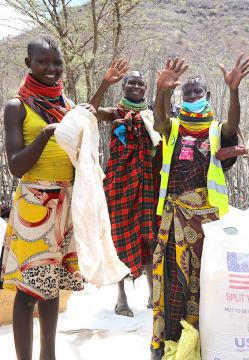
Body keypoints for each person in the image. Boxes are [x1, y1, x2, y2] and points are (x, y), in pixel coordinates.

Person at [150, 54, 249, 359]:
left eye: (198, 93)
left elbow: (233, 123)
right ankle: (171, 342)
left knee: (205, 282)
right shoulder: (174, 127)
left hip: (206, 223)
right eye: (188, 93)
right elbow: (158, 121)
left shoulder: (216, 129)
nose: (192, 97)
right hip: (174, 220)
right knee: (173, 281)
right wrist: (161, 91)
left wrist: (234, 90)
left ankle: (204, 343)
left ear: (208, 97)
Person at [0, 35, 95, 360]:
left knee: (51, 288)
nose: (51, 68)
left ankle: (48, 357)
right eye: (43, 62)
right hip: (35, 207)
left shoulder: (65, 105)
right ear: (29, 64)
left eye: (56, 62)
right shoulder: (17, 107)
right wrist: (44, 135)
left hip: (65, 205)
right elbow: (16, 166)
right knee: (28, 293)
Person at [89, 61, 161, 317]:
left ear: (145, 88)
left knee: (150, 237)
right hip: (120, 184)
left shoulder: (153, 114)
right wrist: (104, 83)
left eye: (140, 83)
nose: (136, 86)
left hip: (148, 183)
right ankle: (121, 299)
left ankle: (154, 294)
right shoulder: (115, 111)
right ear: (124, 86)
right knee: (119, 238)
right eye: (131, 82)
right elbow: (90, 112)